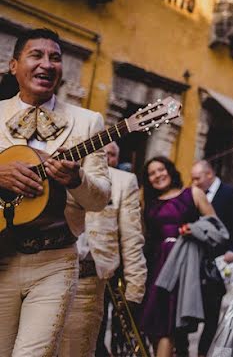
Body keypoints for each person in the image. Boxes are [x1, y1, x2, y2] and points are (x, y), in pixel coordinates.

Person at [0, 27, 111, 357]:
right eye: (36, 55)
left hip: (55, 260)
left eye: (56, 58)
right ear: (13, 65)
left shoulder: (88, 122)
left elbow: (101, 198)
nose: (46, 64)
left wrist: (77, 180)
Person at [58, 141, 147, 357]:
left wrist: (135, 287)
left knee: (84, 345)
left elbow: (132, 238)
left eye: (111, 155)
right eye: (101, 153)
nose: (105, 158)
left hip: (93, 276)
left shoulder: (124, 181)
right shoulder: (63, 172)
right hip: (53, 268)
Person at [140, 156, 216, 357]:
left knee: (168, 324)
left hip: (183, 267)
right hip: (155, 267)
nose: (158, 175)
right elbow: (144, 236)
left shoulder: (193, 194)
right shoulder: (148, 203)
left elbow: (216, 228)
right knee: (152, 323)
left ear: (170, 170)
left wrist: (194, 230)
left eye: (161, 169)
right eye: (152, 173)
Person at [190, 159, 233, 357]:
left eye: (197, 178)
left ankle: (202, 351)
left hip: (222, 259)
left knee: (212, 311)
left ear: (209, 174)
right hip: (199, 259)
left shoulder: (229, 193)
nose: (194, 182)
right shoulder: (195, 194)